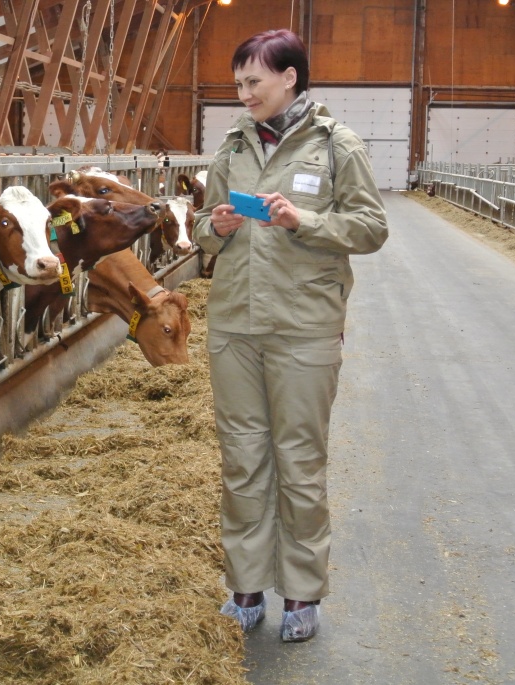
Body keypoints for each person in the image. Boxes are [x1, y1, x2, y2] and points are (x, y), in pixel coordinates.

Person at [193, 29, 388, 643]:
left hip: (304, 328)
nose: (243, 94)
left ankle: (302, 593)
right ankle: (245, 586)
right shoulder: (231, 147)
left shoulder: (337, 146)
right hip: (234, 326)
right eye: (238, 84)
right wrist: (216, 224)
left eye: (253, 82)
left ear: (290, 78)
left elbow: (371, 227)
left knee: (299, 460)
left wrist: (302, 219)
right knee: (242, 460)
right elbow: (200, 230)